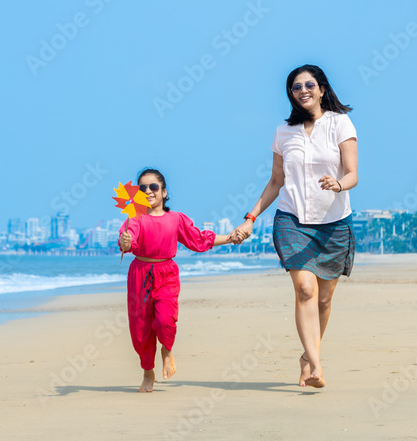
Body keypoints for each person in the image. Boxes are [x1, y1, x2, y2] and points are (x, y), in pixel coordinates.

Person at [231, 64, 358, 388]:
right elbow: (276, 181)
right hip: (291, 220)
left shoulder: (340, 123)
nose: (302, 90)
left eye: (308, 85)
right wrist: (251, 217)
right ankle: (316, 365)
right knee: (305, 290)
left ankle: (307, 356)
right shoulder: (283, 132)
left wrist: (339, 185)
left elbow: (353, 173)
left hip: (334, 223)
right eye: (295, 87)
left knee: (324, 300)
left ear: (322, 88)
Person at [118, 168, 235, 393]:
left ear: (164, 192)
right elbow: (128, 244)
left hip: (166, 274)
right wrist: (124, 242)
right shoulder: (135, 217)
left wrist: (230, 238)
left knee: (165, 321)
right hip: (139, 274)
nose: (148, 191)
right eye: (142, 188)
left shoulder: (176, 219)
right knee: (140, 329)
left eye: (153, 187)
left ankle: (167, 349)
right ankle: (147, 371)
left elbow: (198, 240)